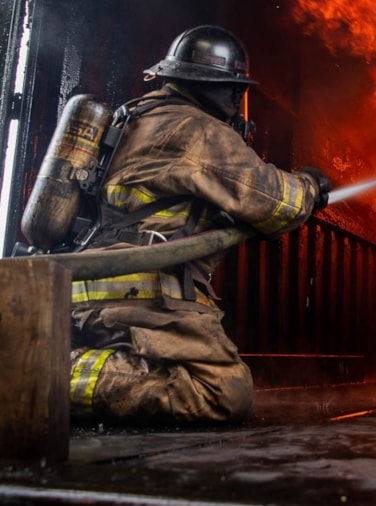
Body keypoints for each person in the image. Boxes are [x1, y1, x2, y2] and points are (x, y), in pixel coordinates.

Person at [67, 24, 332, 424]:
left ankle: (65, 366)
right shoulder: (195, 130)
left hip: (95, 293)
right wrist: (311, 185)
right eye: (235, 89)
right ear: (221, 87)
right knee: (222, 393)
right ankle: (52, 374)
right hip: (143, 296)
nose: (236, 100)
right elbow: (277, 202)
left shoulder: (136, 117)